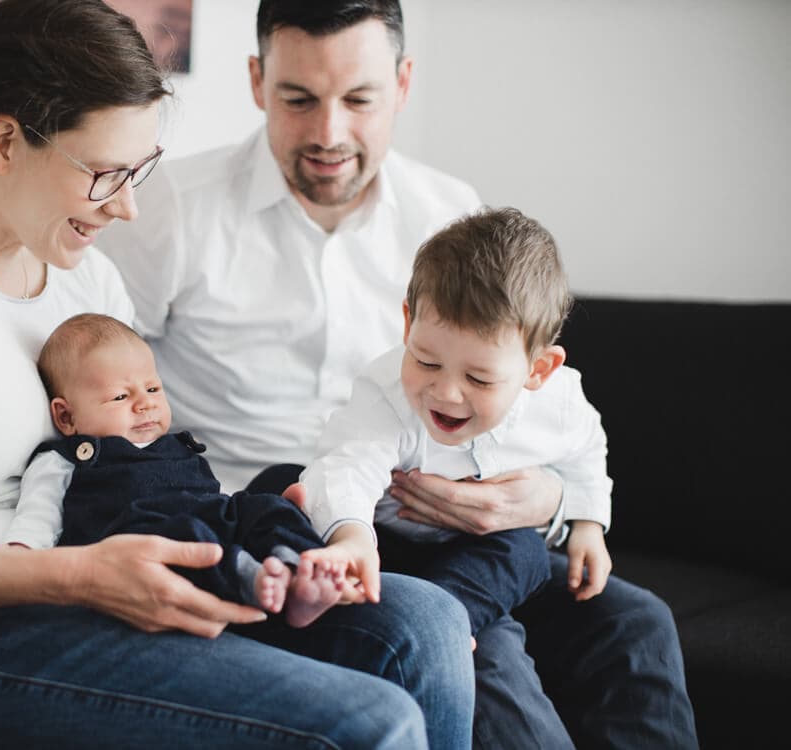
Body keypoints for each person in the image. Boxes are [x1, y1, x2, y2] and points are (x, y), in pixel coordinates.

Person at [0, 1, 475, 747]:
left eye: (139, 172)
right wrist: (75, 576)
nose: (128, 208)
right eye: (105, 174)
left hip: (91, 585)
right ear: (4, 141)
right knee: (370, 724)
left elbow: (141, 466)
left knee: (425, 623)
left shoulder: (86, 281)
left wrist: (256, 541)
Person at [94, 0, 699, 746]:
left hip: (457, 534)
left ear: (403, 84)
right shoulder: (167, 211)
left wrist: (549, 500)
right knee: (479, 655)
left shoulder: (448, 214)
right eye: (298, 99)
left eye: (359, 100)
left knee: (637, 622)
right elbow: (101, 383)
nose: (328, 133)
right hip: (287, 530)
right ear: (256, 81)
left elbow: (526, 411)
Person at [301, 207, 613, 637]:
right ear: (409, 324)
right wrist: (351, 537)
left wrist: (588, 525)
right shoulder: (387, 393)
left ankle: (442, 622)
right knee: (288, 488)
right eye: (427, 361)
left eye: (478, 379)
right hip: (381, 535)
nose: (446, 393)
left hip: (474, 552)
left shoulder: (559, 404)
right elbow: (348, 466)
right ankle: (321, 590)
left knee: (526, 550)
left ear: (538, 370)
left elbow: (586, 449)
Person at [6, 312, 350, 627]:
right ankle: (249, 576)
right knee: (186, 534)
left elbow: (214, 502)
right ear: (66, 417)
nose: (146, 403)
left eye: (153, 388)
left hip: (206, 518)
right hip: (141, 543)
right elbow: (39, 514)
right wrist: (22, 553)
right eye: (120, 397)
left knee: (267, 505)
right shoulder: (63, 460)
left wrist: (246, 515)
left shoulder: (174, 445)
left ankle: (299, 568)